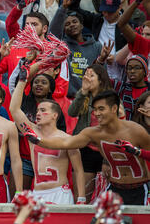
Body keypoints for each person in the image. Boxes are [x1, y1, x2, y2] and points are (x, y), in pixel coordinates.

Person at [23, 90, 150, 205]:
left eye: (101, 109)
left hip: (139, 189)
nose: (97, 113)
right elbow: (66, 143)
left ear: (114, 108)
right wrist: (37, 140)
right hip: (114, 188)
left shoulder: (136, 131)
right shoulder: (92, 133)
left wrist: (137, 152)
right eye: (95, 109)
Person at [10, 63, 86, 204]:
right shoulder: (31, 132)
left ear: (55, 115)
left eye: (43, 110)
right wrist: (22, 80)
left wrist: (81, 198)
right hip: (37, 193)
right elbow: (14, 110)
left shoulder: (67, 139)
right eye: (38, 110)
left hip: (60, 193)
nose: (38, 113)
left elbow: (78, 170)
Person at [68, 64, 113, 203]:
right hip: (85, 150)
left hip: (104, 152)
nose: (87, 78)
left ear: (101, 80)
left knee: (103, 199)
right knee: (82, 198)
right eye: (85, 75)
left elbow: (114, 130)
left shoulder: (111, 99)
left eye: (91, 75)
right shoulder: (84, 96)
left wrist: (107, 160)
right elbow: (72, 112)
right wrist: (83, 91)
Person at [48, 0, 103, 99]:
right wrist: (63, 8)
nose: (72, 25)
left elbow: (101, 75)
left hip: (90, 99)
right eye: (67, 24)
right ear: (64, 29)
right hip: (69, 98)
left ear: (82, 25)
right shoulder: (62, 46)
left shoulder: (97, 47)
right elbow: (52, 35)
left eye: (74, 22)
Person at [113, 55, 150, 120]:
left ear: (145, 71)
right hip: (124, 128)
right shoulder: (121, 87)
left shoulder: (148, 91)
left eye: (137, 68)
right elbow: (100, 78)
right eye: (129, 68)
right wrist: (101, 60)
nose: (132, 71)